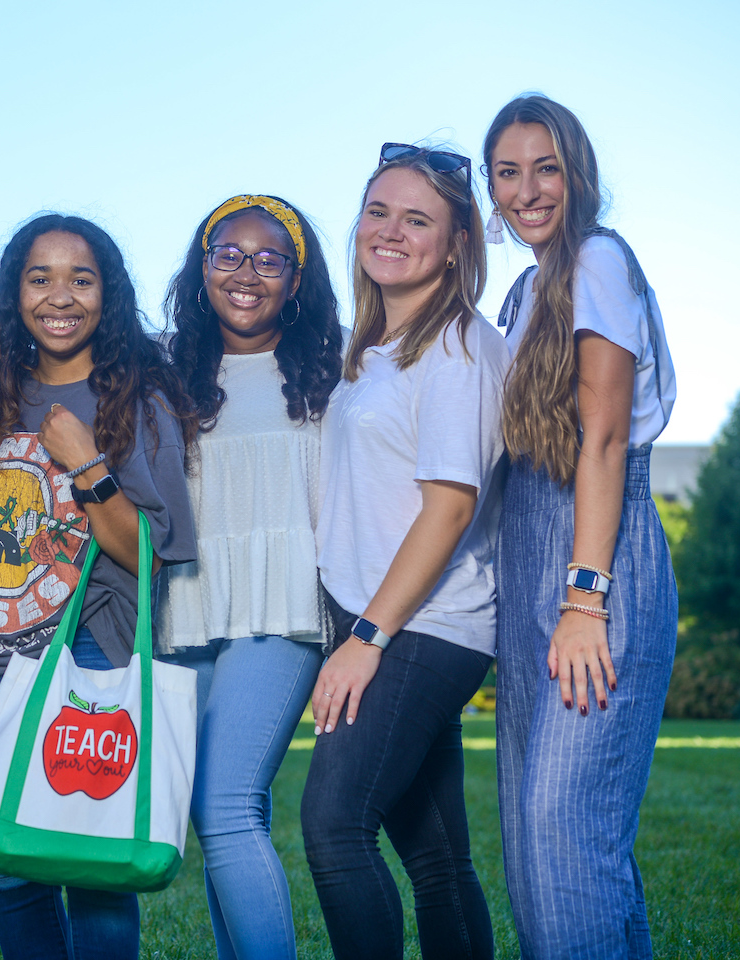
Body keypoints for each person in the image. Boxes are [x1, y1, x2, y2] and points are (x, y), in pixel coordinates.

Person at [0, 214, 196, 960]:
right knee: (16, 867)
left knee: (95, 868)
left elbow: (150, 552)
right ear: (14, 293)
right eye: (40, 277)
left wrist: (87, 465)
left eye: (80, 278)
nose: (61, 296)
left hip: (89, 651)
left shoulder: (137, 399)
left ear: (106, 294)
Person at [301, 144, 508, 960]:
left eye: (417, 219)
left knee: (334, 826)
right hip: (394, 623)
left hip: (421, 628)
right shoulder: (380, 348)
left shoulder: (455, 346)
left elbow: (450, 507)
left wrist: (366, 639)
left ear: (457, 242)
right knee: (437, 857)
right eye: (378, 211)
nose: (390, 231)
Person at [485, 95, 678, 960]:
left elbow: (601, 434)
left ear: (578, 171)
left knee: (562, 827)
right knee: (539, 851)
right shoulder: (525, 288)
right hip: (529, 554)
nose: (527, 190)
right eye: (507, 172)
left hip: (592, 554)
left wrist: (586, 597)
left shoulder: (598, 258)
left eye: (546, 167)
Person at [157, 194, 341, 959]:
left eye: (270, 260)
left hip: (283, 604)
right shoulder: (164, 367)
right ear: (202, 268)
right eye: (227, 253)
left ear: (296, 280)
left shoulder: (334, 368)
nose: (246, 273)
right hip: (187, 604)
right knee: (212, 815)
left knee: (228, 801)